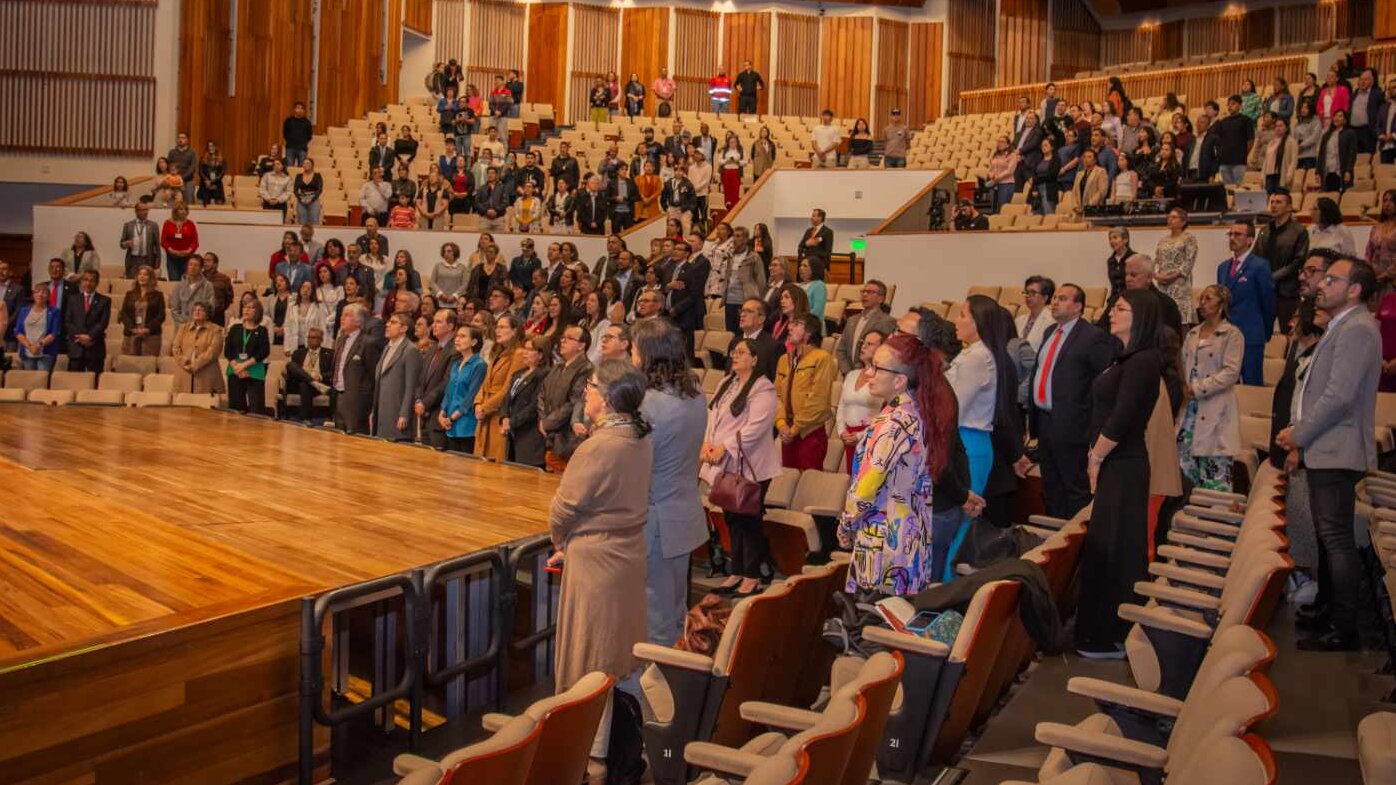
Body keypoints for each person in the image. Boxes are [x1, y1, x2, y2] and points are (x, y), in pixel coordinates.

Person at [547, 359, 652, 781]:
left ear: (607, 398)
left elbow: (564, 508)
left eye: (590, 386)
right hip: (626, 555)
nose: (585, 393)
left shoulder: (598, 446)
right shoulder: (640, 437)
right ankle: (600, 753)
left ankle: (589, 760)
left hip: (596, 562)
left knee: (587, 662)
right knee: (610, 658)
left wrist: (562, 543)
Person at [1276, 258, 1381, 652]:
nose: (1323, 284)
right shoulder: (1343, 326)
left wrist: (1299, 435)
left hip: (1337, 447)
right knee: (1327, 535)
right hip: (1328, 445)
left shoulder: (1356, 329)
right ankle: (1329, 610)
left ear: (1354, 289)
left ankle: (1344, 627)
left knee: (1336, 539)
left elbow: (1338, 396)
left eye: (1333, 279)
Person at [837, 330, 956, 596]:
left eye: (877, 368)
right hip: (910, 537)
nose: (868, 373)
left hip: (884, 544)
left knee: (872, 621)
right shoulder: (917, 411)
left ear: (900, 381)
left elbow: (867, 486)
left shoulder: (892, 423)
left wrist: (846, 523)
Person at [1077, 288, 1163, 658]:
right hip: (1116, 461)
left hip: (1123, 464)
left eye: (1122, 308)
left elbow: (1123, 417)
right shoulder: (1124, 357)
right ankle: (1100, 628)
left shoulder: (1144, 360)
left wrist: (1096, 457)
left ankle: (1113, 633)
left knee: (1117, 549)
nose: (1112, 311)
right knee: (1106, 547)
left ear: (1140, 317)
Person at [629, 319, 707, 646]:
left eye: (634, 350)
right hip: (683, 513)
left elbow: (633, 466)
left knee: (655, 620)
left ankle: (656, 694)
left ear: (647, 355)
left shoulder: (647, 405)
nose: (632, 358)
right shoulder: (695, 393)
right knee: (675, 611)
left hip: (655, 521)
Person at [1016, 283, 1115, 519]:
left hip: (1074, 424)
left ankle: (1073, 543)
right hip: (1045, 422)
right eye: (1055, 298)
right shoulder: (1051, 331)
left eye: (1063, 298)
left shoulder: (1093, 337)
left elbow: (1103, 384)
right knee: (1051, 485)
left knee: (1074, 486)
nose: (1055, 302)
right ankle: (1053, 536)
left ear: (1078, 306)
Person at [701, 338, 781, 596]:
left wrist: (723, 446)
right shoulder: (727, 382)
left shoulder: (763, 388)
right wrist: (706, 444)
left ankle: (752, 575)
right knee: (731, 518)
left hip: (752, 464)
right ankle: (736, 570)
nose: (735, 356)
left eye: (742, 352)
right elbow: (712, 418)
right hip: (727, 463)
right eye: (733, 351)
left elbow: (756, 428)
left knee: (749, 520)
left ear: (755, 359)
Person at [1176, 284, 1243, 494]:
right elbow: (1182, 364)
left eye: (1208, 299)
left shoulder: (1231, 334)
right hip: (1188, 411)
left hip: (1215, 408)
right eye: (1201, 298)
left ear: (1221, 304)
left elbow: (1231, 373)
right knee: (1184, 473)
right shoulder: (1193, 333)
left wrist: (1198, 388)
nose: (1202, 303)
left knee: (1215, 475)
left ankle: (1215, 521)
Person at [774, 313, 836, 470]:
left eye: (796, 324)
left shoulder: (822, 357)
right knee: (788, 483)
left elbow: (818, 401)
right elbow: (777, 396)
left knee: (808, 487)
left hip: (809, 432)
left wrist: (793, 429)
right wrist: (781, 424)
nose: (789, 327)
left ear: (809, 331)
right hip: (787, 431)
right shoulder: (783, 359)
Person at [1217, 222, 1276, 385]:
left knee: (1252, 381)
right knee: (1226, 381)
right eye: (1230, 234)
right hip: (1226, 335)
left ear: (1250, 240)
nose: (1232, 238)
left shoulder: (1260, 266)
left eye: (1238, 235)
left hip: (1251, 334)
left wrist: (1265, 330)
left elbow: (1268, 302)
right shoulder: (1222, 267)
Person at [538, 325, 594, 472]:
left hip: (568, 438)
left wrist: (548, 422)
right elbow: (542, 394)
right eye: (563, 337)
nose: (563, 341)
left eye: (569, 338)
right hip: (550, 436)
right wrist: (542, 420)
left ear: (582, 345)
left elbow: (576, 401)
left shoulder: (588, 369)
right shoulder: (557, 367)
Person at [1253, 190, 1311, 330]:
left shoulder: (1299, 231)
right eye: (1272, 202)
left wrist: (1273, 277)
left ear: (1289, 207)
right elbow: (1256, 256)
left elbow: (1298, 261)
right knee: (1263, 331)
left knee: (1289, 330)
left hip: (1288, 291)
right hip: (1265, 290)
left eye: (1278, 202)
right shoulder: (1264, 230)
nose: (1273, 205)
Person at [475, 313, 524, 461]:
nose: (497, 331)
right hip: (484, 415)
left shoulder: (519, 354)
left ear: (515, 331)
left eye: (502, 327)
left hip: (498, 414)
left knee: (495, 465)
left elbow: (508, 388)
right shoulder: (497, 352)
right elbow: (485, 384)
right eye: (497, 327)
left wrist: (485, 407)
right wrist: (477, 404)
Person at [835, 329, 886, 472]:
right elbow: (841, 406)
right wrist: (841, 431)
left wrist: (860, 435)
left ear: (881, 349)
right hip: (849, 437)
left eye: (869, 344)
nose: (863, 347)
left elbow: (884, 414)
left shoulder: (883, 378)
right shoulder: (852, 375)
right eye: (863, 343)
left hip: (870, 438)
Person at [331, 304, 384, 434]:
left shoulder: (368, 343)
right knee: (338, 438)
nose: (342, 318)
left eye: (347, 315)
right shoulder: (340, 340)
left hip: (357, 401)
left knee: (355, 440)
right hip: (339, 395)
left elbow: (374, 374)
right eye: (342, 315)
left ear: (358, 321)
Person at [434, 324, 487, 452]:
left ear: (474, 341)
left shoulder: (479, 365)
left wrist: (452, 417)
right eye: (457, 336)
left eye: (462, 336)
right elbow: (448, 392)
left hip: (466, 424)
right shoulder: (456, 364)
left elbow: (471, 396)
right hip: (450, 424)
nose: (457, 339)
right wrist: (442, 413)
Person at [371, 313, 422, 441]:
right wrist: (374, 411)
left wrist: (404, 414)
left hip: (397, 414)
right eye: (388, 322)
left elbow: (411, 386)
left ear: (404, 328)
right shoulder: (387, 348)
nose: (387, 325)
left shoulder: (410, 350)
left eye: (393, 322)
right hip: (382, 413)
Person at [835, 279, 897, 375]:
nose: (865, 295)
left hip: (871, 375)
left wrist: (863, 372)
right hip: (848, 375)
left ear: (881, 298)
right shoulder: (852, 320)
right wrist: (847, 372)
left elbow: (882, 352)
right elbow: (841, 349)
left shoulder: (887, 321)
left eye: (870, 292)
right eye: (863, 291)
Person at [1152, 207, 1198, 325]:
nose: (1170, 220)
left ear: (1183, 221)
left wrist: (1173, 276)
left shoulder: (1189, 238)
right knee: (1164, 320)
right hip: (1163, 284)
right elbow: (1156, 260)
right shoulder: (1163, 240)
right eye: (1168, 217)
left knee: (1180, 321)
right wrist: (1156, 275)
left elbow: (1189, 260)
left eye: (1173, 217)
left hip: (1179, 284)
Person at [224, 299, 271, 414]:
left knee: (256, 410)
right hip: (235, 371)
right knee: (236, 410)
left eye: (251, 308)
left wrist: (244, 366)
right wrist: (236, 367)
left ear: (258, 312)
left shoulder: (262, 331)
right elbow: (228, 350)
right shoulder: (235, 328)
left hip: (254, 371)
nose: (246, 310)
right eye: (245, 307)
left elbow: (264, 352)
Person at [64, 270, 109, 374]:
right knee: (74, 383)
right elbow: (68, 321)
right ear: (81, 282)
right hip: (76, 348)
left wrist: (89, 337)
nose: (88, 283)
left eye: (92, 281)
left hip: (95, 348)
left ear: (97, 282)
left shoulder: (104, 301)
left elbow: (103, 323)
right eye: (85, 280)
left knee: (95, 383)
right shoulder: (73, 299)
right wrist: (80, 337)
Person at [283, 325, 332, 420]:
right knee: (290, 365)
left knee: (305, 385)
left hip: (320, 386)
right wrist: (311, 379)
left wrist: (320, 377)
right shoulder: (298, 352)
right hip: (299, 384)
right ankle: (311, 381)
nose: (310, 340)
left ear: (321, 340)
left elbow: (333, 372)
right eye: (309, 337)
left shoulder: (329, 354)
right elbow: (293, 373)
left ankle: (305, 419)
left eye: (314, 337)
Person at [119, 265, 165, 356]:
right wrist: (131, 328)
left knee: (147, 365)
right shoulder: (129, 294)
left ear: (151, 278)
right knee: (130, 364)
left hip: (151, 335)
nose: (142, 277)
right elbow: (124, 313)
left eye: (145, 275)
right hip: (131, 334)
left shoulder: (158, 295)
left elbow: (161, 315)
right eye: (140, 274)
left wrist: (147, 328)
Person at [16, 283, 61, 371]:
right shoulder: (24, 311)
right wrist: (30, 347)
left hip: (46, 353)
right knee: (30, 381)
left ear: (48, 296)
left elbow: (53, 333)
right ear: (33, 295)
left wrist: (38, 345)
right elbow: (19, 332)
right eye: (37, 291)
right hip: (27, 352)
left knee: (42, 380)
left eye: (44, 292)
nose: (40, 294)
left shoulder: (54, 311)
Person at [1215, 95, 1255, 186]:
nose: (1230, 106)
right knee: (1227, 189)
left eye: (1233, 104)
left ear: (1240, 105)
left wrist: (1244, 154)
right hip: (1224, 161)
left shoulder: (1246, 120)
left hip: (1239, 161)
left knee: (1238, 188)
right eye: (1228, 104)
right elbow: (1219, 140)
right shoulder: (1223, 121)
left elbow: (1251, 140)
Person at [1317, 109, 1357, 193]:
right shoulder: (1326, 136)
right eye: (1335, 116)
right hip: (1328, 171)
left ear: (1345, 120)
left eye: (1340, 116)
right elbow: (1321, 155)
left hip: (1341, 171)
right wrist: (1318, 172)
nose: (1336, 118)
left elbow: (1352, 154)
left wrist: (1348, 170)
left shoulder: (1350, 133)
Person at [119, 202, 161, 279]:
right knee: (132, 282)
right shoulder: (128, 225)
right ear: (136, 211)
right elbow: (121, 244)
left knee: (147, 283)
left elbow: (157, 246)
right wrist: (126, 244)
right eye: (142, 210)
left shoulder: (153, 225)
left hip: (147, 260)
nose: (145, 212)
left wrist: (157, 265)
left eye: (147, 210)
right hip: (132, 260)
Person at [1368, 189, 1396, 287]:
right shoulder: (1376, 227)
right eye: (1385, 200)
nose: (1387, 204)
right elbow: (1369, 253)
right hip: (1375, 279)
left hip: (1393, 280)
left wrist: (1386, 275)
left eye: (1391, 201)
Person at [283, 101, 313, 167]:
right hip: (290, 147)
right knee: (289, 167)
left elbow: (309, 136)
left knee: (302, 168)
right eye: (298, 108)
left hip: (302, 148)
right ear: (294, 109)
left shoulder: (307, 122)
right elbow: (285, 133)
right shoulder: (288, 120)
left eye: (302, 108)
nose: (300, 110)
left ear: (304, 111)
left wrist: (303, 142)